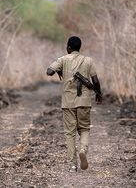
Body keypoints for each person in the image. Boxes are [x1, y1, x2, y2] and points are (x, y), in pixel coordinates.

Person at [46, 36, 102, 172]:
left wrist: (59, 70)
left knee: (69, 133)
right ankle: (83, 149)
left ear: (69, 47)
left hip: (68, 103)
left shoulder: (63, 59)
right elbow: (95, 80)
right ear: (79, 47)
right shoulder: (88, 61)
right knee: (84, 129)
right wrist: (99, 93)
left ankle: (72, 165)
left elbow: (49, 71)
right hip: (84, 101)